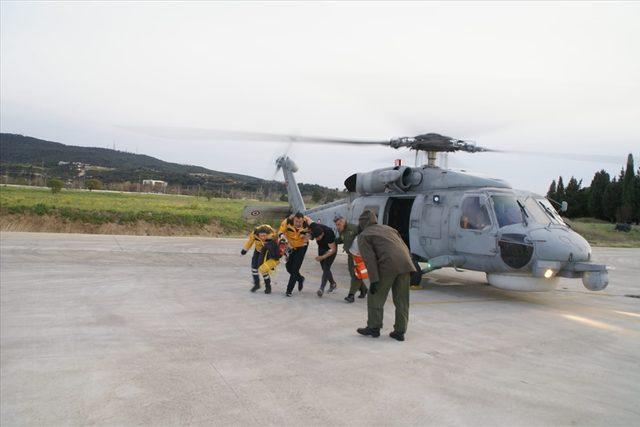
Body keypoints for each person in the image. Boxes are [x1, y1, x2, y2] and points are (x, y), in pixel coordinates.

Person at [355, 210, 416, 342]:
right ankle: (400, 331)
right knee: (402, 300)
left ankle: (374, 328)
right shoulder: (389, 229)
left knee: (375, 297)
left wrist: (374, 280)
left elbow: (369, 259)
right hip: (405, 264)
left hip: (388, 266)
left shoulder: (364, 235)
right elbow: (403, 246)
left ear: (363, 222)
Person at [334, 215, 367, 303]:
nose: (338, 227)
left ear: (343, 221)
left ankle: (351, 295)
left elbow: (364, 237)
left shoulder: (353, 228)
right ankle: (364, 289)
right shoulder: (341, 230)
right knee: (353, 274)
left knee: (356, 275)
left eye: (339, 224)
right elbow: (342, 239)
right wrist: (333, 241)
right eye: (336, 225)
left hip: (358, 256)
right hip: (350, 256)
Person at [278, 212, 311, 297]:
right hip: (290, 247)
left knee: (295, 269)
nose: (298, 224)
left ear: (303, 220)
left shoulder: (307, 223)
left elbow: (314, 233)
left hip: (301, 247)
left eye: (300, 222)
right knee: (289, 268)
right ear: (294, 219)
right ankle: (300, 279)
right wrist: (282, 239)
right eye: (296, 221)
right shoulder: (287, 221)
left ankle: (289, 290)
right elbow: (280, 232)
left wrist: (308, 236)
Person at [241, 224, 276, 292]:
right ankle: (257, 284)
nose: (263, 237)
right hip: (258, 250)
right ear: (258, 234)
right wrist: (245, 250)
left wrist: (273, 258)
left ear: (267, 234)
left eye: (264, 236)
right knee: (254, 267)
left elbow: (277, 245)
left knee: (263, 269)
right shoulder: (254, 234)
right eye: (261, 236)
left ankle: (268, 286)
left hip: (266, 252)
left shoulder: (272, 235)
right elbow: (250, 242)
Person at [309, 221, 338, 297]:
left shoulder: (329, 234)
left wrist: (322, 257)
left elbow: (333, 250)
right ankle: (333, 284)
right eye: (316, 238)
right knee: (324, 268)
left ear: (322, 234)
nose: (317, 239)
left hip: (330, 249)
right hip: (322, 247)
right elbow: (306, 219)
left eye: (318, 237)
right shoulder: (315, 227)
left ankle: (321, 289)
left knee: (326, 268)